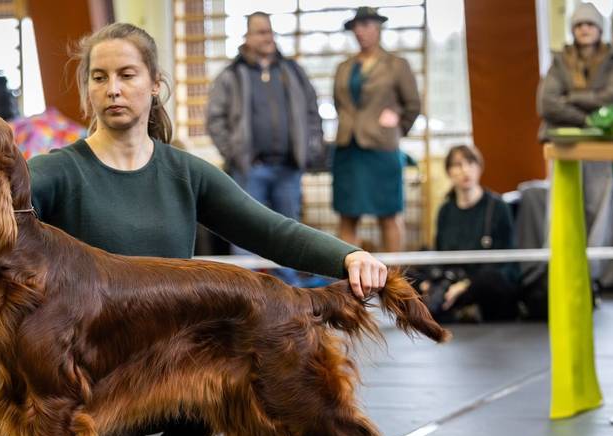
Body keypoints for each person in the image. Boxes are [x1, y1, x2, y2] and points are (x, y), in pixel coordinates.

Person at [0, 22, 388, 436]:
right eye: (99, 76)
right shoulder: (58, 170)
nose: (113, 88)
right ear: (87, 89)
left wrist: (349, 255)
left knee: (227, 347)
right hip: (91, 382)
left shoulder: (185, 172)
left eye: (127, 74)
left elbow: (270, 230)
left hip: (165, 365)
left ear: (154, 83)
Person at [207, 11, 324, 283]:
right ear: (247, 37)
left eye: (270, 31)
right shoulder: (231, 75)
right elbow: (215, 119)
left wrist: (311, 147)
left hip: (288, 168)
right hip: (249, 170)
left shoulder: (292, 72)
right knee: (243, 233)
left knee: (289, 235)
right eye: (260, 32)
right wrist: (234, 153)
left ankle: (290, 295)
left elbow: (311, 112)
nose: (267, 37)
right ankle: (242, 294)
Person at [537, 2, 613, 287]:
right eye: (579, 25)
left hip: (601, 147)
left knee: (600, 209)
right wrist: (587, 116)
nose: (584, 29)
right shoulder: (559, 60)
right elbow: (547, 103)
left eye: (589, 24)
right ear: (573, 30)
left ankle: (594, 277)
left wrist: (572, 97)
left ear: (599, 29)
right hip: (564, 147)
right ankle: (562, 274)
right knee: (562, 209)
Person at [332, 6, 420, 253]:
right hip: (348, 150)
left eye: (367, 25)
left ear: (378, 27)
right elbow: (340, 104)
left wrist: (396, 125)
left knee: (389, 215)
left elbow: (413, 104)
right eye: (357, 27)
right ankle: (348, 284)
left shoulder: (397, 65)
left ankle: (394, 284)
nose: (361, 31)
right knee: (347, 216)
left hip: (382, 151)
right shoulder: (344, 67)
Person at [414, 145, 518, 323]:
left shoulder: (498, 207)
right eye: (457, 165)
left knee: (491, 281)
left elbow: (506, 261)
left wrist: (465, 285)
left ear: (479, 167)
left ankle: (460, 309)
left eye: (470, 163)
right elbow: (439, 255)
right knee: (409, 275)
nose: (465, 170)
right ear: (449, 171)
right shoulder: (445, 210)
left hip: (483, 281)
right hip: (453, 279)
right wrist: (432, 283)